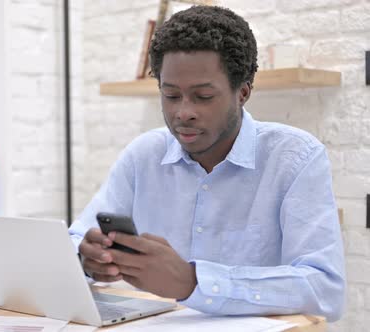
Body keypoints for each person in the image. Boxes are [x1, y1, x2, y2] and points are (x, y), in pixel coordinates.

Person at [69, 5, 345, 321]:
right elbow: (77, 239)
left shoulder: (295, 158)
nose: (183, 112)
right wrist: (86, 258)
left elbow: (325, 291)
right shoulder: (143, 154)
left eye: (202, 96)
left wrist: (193, 281)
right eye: (171, 96)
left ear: (242, 92)